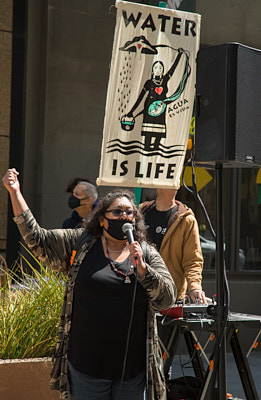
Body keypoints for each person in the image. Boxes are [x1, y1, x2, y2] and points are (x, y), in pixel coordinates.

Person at [2, 168, 176, 400]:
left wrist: (144, 270)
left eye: (129, 213)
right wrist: (15, 193)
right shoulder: (81, 244)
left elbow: (167, 298)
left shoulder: (146, 253)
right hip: (87, 369)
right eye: (117, 212)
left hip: (131, 372)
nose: (124, 217)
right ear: (102, 219)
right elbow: (37, 239)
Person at [140, 188, 206, 304]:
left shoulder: (186, 219)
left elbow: (193, 259)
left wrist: (195, 286)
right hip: (139, 291)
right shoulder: (140, 212)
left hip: (169, 295)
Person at [125, 49, 190, 151]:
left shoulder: (165, 80)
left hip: (161, 108)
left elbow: (173, 69)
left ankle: (155, 148)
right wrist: (131, 111)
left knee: (159, 132)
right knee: (148, 133)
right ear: (152, 70)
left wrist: (179, 55)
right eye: (156, 67)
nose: (158, 69)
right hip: (149, 109)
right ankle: (146, 148)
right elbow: (140, 98)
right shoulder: (148, 83)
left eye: (160, 68)